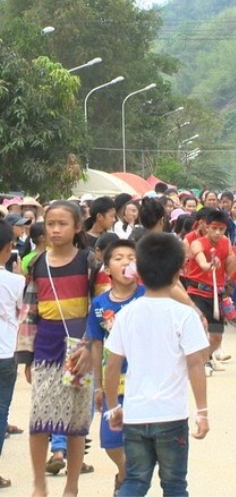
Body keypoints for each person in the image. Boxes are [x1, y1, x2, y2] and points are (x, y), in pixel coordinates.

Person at [103, 232, 210, 497]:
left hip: (136, 415)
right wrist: (203, 411)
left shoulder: (126, 314)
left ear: (139, 272)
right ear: (177, 274)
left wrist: (113, 407)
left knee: (135, 481)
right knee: (174, 485)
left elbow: (112, 365)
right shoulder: (184, 315)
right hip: (171, 416)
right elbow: (197, 364)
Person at [17, 201, 94, 497]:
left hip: (80, 349)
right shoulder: (37, 263)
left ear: (77, 228)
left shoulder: (88, 262)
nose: (56, 229)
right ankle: (40, 484)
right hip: (45, 347)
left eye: (63, 223)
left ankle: (71, 486)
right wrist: (26, 355)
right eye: (50, 224)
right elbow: (29, 310)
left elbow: (98, 308)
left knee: (75, 422)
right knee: (39, 418)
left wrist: (91, 346)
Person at [87, 239, 144, 495]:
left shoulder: (148, 296)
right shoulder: (99, 305)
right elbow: (96, 345)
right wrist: (97, 386)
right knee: (110, 441)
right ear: (107, 268)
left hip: (142, 381)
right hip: (112, 381)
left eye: (131, 257)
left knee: (139, 438)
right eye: (118, 257)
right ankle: (126, 474)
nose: (125, 262)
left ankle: (129, 484)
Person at [185, 209, 236, 376]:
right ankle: (202, 363)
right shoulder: (197, 243)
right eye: (214, 228)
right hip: (197, 293)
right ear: (206, 227)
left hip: (217, 295)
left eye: (221, 229)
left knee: (216, 337)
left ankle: (205, 358)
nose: (217, 232)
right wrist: (210, 265)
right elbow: (202, 264)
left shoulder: (226, 244)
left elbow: (230, 270)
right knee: (201, 328)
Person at [0, 220, 25, 489]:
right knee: (0, 409)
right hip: (5, 351)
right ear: (8, 248)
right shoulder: (15, 281)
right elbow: (24, 312)